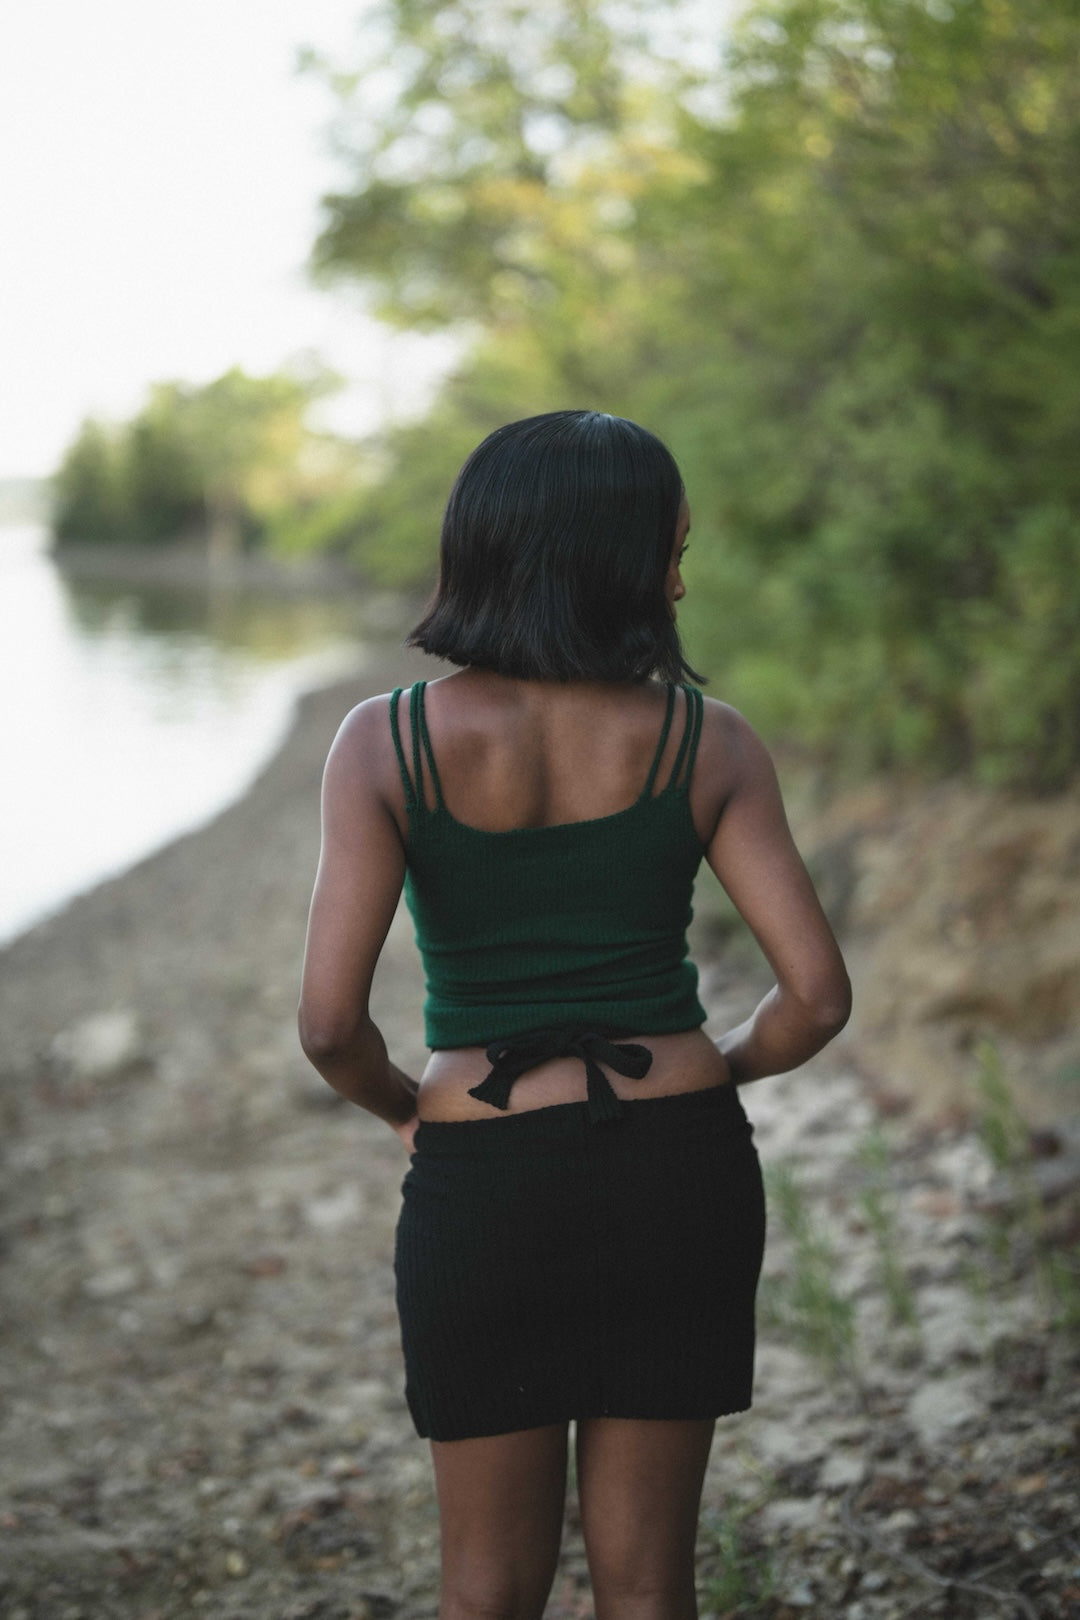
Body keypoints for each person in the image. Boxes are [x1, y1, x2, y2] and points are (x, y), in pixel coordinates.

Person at [298, 409, 851, 1620]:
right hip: (681, 1170)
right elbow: (816, 998)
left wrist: (409, 1111)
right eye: (671, 547)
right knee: (649, 1587)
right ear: (610, 559)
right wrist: (710, 1072)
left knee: (487, 1584)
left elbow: (332, 1026)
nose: (681, 576)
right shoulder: (710, 743)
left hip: (482, 1174)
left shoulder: (382, 742)